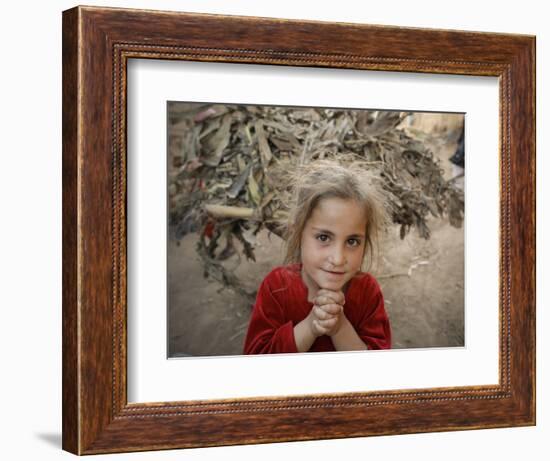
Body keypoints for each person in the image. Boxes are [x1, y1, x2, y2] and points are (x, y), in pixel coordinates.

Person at [243, 159, 392, 354]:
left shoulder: (367, 293)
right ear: (297, 232)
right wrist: (311, 325)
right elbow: (257, 366)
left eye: (352, 241)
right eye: (323, 237)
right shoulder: (276, 287)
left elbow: (377, 372)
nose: (338, 259)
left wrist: (339, 327)